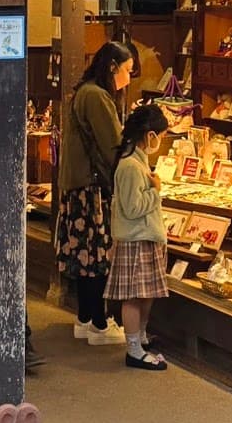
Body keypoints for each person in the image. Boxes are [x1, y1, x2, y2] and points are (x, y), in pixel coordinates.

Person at [55, 41, 134, 345]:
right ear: (112, 66)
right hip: (91, 187)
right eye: (127, 71)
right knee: (97, 255)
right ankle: (99, 324)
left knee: (84, 257)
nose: (129, 78)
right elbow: (113, 144)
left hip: (77, 185)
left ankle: (86, 318)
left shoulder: (85, 91)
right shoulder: (98, 96)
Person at [106, 102, 171, 371]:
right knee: (134, 295)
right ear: (150, 135)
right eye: (162, 136)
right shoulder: (131, 166)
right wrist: (155, 190)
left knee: (146, 292)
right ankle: (133, 348)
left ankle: (140, 338)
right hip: (136, 236)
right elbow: (133, 208)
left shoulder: (137, 161)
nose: (162, 142)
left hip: (145, 235)